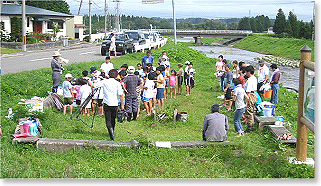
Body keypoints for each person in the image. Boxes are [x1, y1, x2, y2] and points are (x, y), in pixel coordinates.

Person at [94, 69, 124, 140]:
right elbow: (121, 95)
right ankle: (112, 131)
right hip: (115, 104)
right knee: (113, 119)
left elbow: (95, 86)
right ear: (117, 75)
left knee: (108, 119)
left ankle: (111, 134)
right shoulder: (117, 83)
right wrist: (122, 105)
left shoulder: (104, 81)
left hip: (107, 103)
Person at [244, 65, 257, 132]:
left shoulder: (250, 80)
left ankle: (250, 127)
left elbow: (248, 91)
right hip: (254, 94)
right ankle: (251, 125)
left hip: (250, 95)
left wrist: (246, 100)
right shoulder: (254, 78)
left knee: (249, 111)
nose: (246, 73)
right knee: (251, 110)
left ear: (249, 72)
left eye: (246, 72)